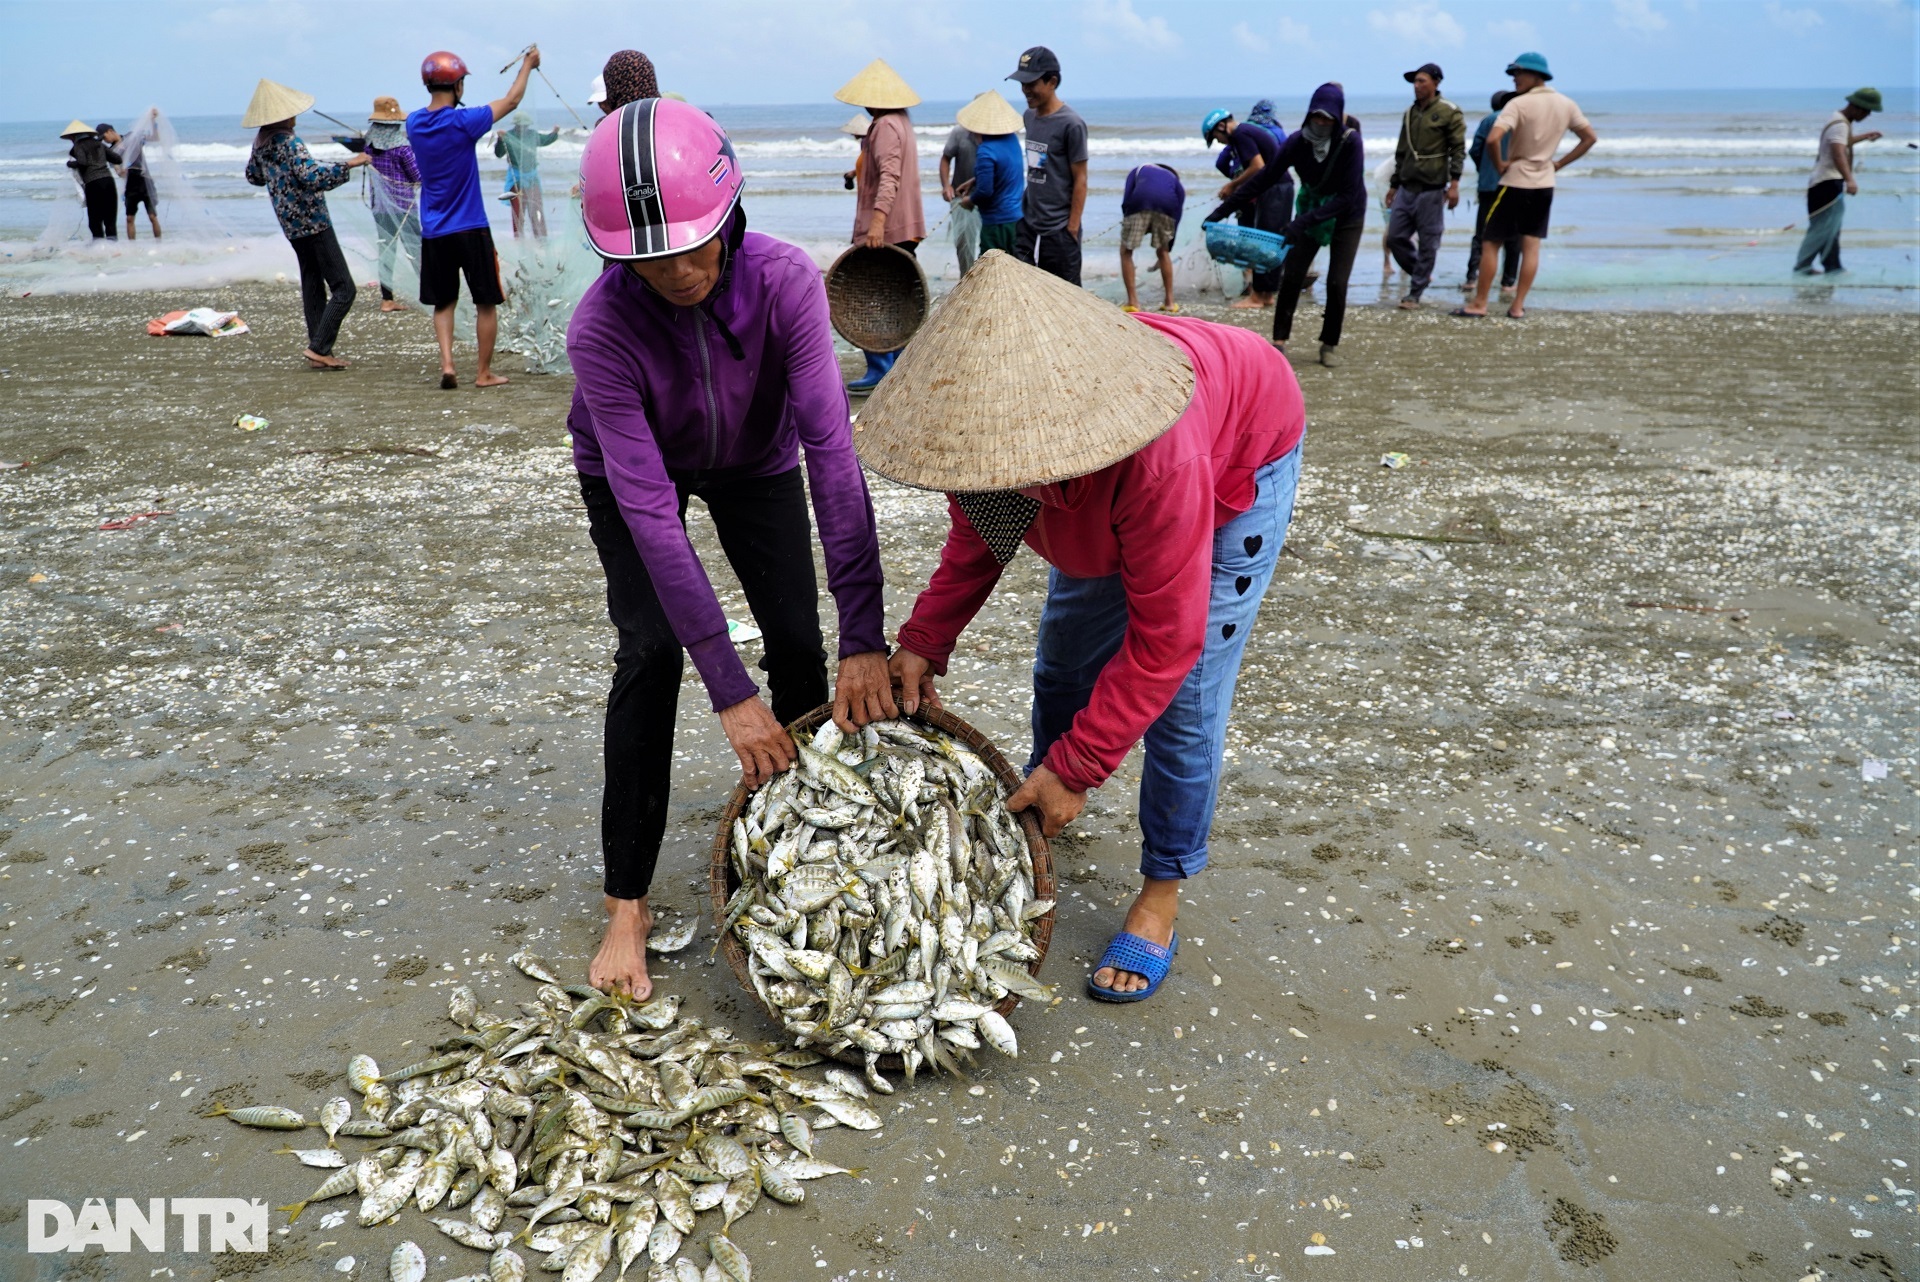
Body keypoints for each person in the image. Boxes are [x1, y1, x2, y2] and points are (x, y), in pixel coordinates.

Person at [857, 252, 1306, 1002]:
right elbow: (982, 537)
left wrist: (1083, 764)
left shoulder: (1154, 456)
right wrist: (925, 637)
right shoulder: (985, 432)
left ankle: (1161, 892)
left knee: (1185, 703)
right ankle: (1046, 803)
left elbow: (1167, 639)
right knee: (1064, 661)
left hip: (1236, 461)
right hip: (1100, 499)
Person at [567, 98, 893, 997]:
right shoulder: (600, 331)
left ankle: (798, 829)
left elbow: (832, 455)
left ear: (728, 214)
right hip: (630, 471)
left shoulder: (786, 281)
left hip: (755, 455)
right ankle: (626, 902)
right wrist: (728, 691)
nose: (675, 272)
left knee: (798, 640)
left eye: (691, 245)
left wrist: (863, 630)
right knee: (650, 650)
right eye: (647, 258)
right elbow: (649, 513)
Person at [408, 47, 539, 390]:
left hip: (434, 229)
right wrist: (527, 64)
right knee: (485, 302)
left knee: (444, 301)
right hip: (470, 227)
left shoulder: (414, 123)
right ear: (458, 86)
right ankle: (483, 373)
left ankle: (448, 365)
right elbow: (511, 101)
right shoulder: (464, 122)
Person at [1225, 83, 1368, 369]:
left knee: (1337, 282)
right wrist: (1222, 210)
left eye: (1328, 117)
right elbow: (1265, 177)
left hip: (1347, 215)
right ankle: (1278, 341)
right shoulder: (1296, 142)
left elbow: (1348, 196)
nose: (1321, 123)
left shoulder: (1351, 142)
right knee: (1291, 277)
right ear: (1308, 115)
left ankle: (1329, 344)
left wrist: (1300, 222)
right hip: (1311, 207)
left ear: (1337, 117)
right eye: (1316, 116)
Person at [1453, 52, 1597, 321]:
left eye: (1518, 74)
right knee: (1531, 245)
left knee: (1490, 242)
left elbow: (1494, 139)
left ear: (1534, 75)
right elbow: (1589, 137)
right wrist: (1558, 164)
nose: (1514, 79)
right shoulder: (1566, 104)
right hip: (1544, 183)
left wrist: (1500, 165)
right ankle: (1517, 306)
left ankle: (1479, 303)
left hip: (1515, 180)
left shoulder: (1519, 104)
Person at [241, 80, 369, 369]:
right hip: (313, 221)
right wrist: (349, 164)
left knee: (312, 282)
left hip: (289, 223)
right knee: (344, 288)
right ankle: (319, 347)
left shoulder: (261, 142)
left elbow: (254, 176)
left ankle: (319, 349)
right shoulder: (290, 141)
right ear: (283, 115)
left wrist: (278, 175)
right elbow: (313, 178)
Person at [833, 58, 926, 392]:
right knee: (898, 299)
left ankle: (880, 368)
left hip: (888, 229)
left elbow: (889, 178)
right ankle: (898, 367)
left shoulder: (885, 125)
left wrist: (876, 224)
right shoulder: (902, 121)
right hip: (904, 226)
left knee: (871, 296)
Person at [1384, 62, 1464, 309]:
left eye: (1422, 81)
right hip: (1407, 187)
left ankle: (1415, 292)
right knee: (1396, 237)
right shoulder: (1410, 113)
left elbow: (1458, 150)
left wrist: (1454, 184)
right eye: (1415, 82)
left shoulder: (1450, 112)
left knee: (1429, 241)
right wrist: (1394, 185)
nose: (1416, 86)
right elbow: (1401, 151)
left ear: (1436, 82)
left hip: (1432, 189)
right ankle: (1421, 273)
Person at [1007, 45, 1088, 285]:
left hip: (1060, 230)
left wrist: (1071, 229)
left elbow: (1081, 179)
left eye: (1031, 84)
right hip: (1028, 224)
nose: (1025, 90)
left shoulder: (1071, 124)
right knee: (1026, 295)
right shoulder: (1028, 117)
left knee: (1066, 303)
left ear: (1052, 82)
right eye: (1022, 84)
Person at [1203, 110, 1288, 308]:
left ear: (1221, 126)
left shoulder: (1240, 134)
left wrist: (1232, 185)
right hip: (1279, 187)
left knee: (1261, 243)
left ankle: (1258, 296)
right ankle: (1267, 295)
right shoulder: (1247, 131)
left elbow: (1257, 166)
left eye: (1215, 137)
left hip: (1274, 188)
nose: (1220, 142)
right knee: (1271, 241)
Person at [1793, 88, 1883, 276]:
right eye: (1867, 111)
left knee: (1829, 228)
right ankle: (1809, 266)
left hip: (1823, 183)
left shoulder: (1839, 120)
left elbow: (1843, 143)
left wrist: (1864, 137)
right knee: (1824, 228)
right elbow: (1837, 151)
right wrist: (1850, 179)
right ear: (1857, 107)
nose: (1867, 116)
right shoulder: (1840, 125)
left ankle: (1830, 266)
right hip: (1827, 183)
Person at [365, 97, 421, 313]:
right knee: (416, 250)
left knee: (386, 251)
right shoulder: (402, 148)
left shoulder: (369, 146)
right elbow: (416, 176)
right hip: (404, 208)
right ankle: (430, 293)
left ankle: (386, 299)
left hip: (380, 208)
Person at [954, 91, 1025, 258]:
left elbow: (985, 192)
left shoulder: (985, 151)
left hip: (996, 224)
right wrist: (975, 179)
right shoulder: (1012, 139)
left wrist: (969, 201)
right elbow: (1003, 170)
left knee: (988, 274)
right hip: (1018, 220)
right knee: (1018, 272)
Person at [1465, 90, 1519, 295]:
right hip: (1516, 184)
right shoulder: (1518, 120)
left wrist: (1484, 169)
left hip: (1488, 185)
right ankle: (1508, 282)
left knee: (1483, 234)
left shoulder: (1489, 120)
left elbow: (1474, 149)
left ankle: (1472, 278)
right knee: (1513, 237)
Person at [1120, 163, 1183, 313]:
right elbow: (1177, 216)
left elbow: (1127, 198)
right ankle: (1169, 302)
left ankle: (1133, 303)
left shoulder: (1138, 170)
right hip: (1167, 207)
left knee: (1126, 251)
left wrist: (1128, 220)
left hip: (1140, 202)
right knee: (1163, 252)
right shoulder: (1176, 182)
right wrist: (1169, 245)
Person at [494, 112, 560, 239]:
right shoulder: (508, 136)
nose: (523, 128)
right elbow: (499, 153)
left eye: (525, 126)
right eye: (521, 126)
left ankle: (540, 239)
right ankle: (519, 240)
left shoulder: (532, 135)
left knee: (536, 209)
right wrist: (500, 139)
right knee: (518, 212)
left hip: (532, 177)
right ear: (516, 125)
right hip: (516, 178)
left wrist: (555, 133)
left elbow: (545, 140)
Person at [61, 121, 120, 240]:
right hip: (108, 182)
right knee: (110, 216)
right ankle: (113, 245)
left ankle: (98, 245)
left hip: (93, 184)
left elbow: (83, 163)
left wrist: (70, 163)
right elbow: (117, 159)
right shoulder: (99, 144)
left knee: (95, 218)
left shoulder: (78, 146)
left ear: (72, 137)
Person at [940, 116, 980, 276]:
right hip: (961, 197)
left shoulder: (998, 135)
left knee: (991, 248)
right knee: (964, 245)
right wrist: (946, 186)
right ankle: (966, 281)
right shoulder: (959, 132)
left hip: (989, 198)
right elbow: (945, 158)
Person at [115, 109, 163, 240]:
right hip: (131, 184)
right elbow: (114, 164)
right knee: (130, 218)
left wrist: (153, 120)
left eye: (105, 136)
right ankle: (132, 247)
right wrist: (119, 171)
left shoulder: (134, 137)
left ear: (111, 132)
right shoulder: (116, 148)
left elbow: (155, 137)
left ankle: (159, 244)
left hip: (144, 180)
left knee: (152, 216)